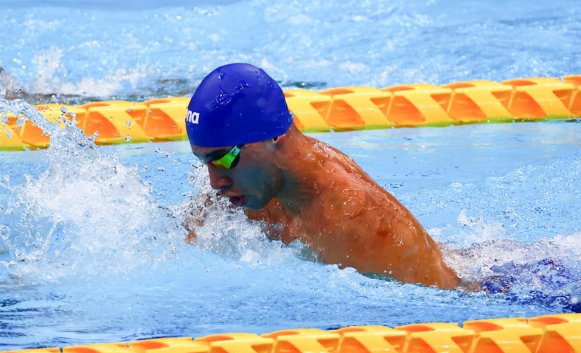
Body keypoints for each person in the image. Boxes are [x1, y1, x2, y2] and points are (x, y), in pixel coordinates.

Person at [185, 63, 460, 289]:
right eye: (204, 163)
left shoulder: (357, 225)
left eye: (223, 159)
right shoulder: (251, 185)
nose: (215, 182)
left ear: (274, 135)